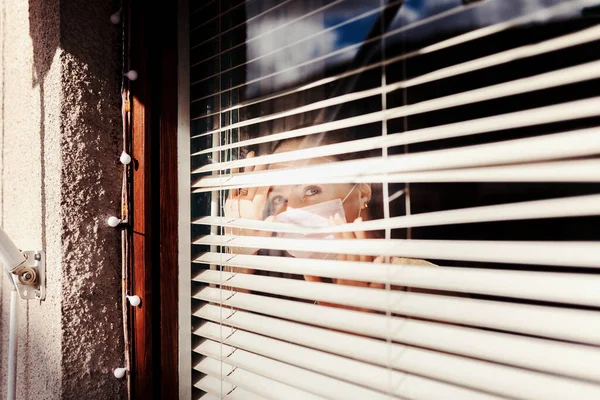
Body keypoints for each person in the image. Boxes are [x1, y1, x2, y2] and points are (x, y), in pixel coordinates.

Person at [224, 134, 435, 299]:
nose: (291, 210)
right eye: (280, 199)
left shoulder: (418, 282)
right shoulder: (316, 293)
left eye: (312, 190)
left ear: (362, 192)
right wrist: (240, 257)